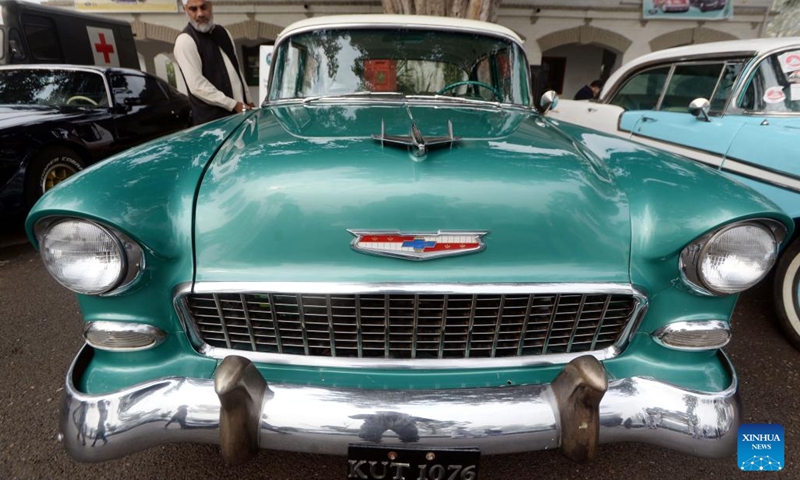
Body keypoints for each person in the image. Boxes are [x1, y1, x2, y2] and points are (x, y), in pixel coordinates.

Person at [174, 0, 254, 125]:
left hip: (240, 115)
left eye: (203, 7)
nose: (200, 13)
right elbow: (197, 86)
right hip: (213, 123)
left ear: (211, 7)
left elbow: (236, 69)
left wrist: (248, 99)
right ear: (185, 10)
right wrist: (233, 104)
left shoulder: (224, 33)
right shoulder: (185, 41)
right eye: (193, 9)